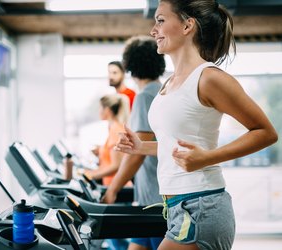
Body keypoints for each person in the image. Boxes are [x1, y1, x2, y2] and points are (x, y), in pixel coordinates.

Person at [114, 1, 278, 250]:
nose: (153, 30)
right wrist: (140, 147)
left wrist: (208, 158)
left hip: (201, 206)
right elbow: (177, 147)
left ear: (187, 25)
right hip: (174, 206)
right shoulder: (169, 83)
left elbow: (266, 132)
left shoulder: (209, 78)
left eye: (160, 20)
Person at [102, 35, 166, 250]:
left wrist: (113, 189)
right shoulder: (162, 89)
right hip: (151, 199)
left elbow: (138, 151)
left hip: (157, 201)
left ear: (129, 66)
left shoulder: (144, 96)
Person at [85, 94, 130, 186]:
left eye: (100, 108)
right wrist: (101, 150)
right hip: (111, 184)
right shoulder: (113, 128)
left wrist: (90, 175)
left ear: (107, 110)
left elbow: (116, 166)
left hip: (117, 186)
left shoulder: (116, 130)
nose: (99, 111)